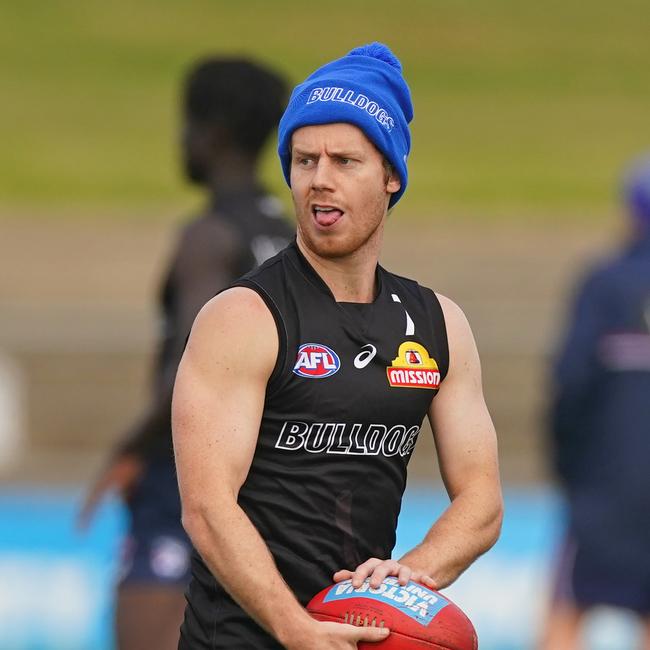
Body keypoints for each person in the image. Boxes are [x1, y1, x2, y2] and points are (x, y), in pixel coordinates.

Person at [172, 42, 503, 650]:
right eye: (304, 160)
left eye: (345, 160)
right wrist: (293, 626)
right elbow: (208, 510)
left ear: (391, 175)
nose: (320, 179)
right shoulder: (243, 317)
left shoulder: (437, 325)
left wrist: (415, 571)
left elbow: (482, 499)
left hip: (359, 636)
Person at [78, 57, 292, 650]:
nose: (181, 140)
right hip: (268, 483)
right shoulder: (288, 234)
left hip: (187, 478)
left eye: (187, 125)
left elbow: (186, 370)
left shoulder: (209, 236)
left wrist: (129, 450)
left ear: (213, 134)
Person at [540, 154, 650, 650]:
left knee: (567, 610)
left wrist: (569, 470)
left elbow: (571, 384)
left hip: (606, 486)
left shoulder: (605, 282)